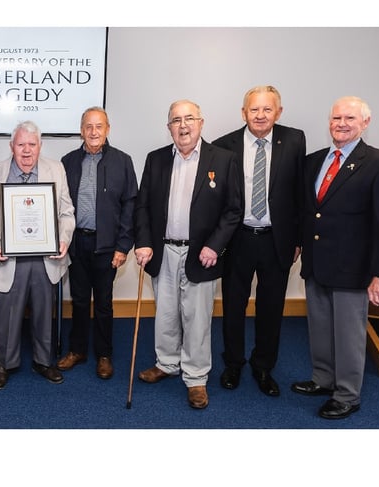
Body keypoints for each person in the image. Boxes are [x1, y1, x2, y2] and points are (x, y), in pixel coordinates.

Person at [292, 96, 379, 419]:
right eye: (336, 118)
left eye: (349, 119)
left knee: (348, 334)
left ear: (365, 123)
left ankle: (347, 394)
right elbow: (309, 211)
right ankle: (323, 378)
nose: (341, 124)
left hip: (353, 268)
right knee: (321, 327)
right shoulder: (314, 161)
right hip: (317, 263)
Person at [134, 100, 242, 409]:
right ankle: (167, 363)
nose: (183, 125)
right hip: (163, 250)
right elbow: (142, 206)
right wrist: (143, 242)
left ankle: (196, 378)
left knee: (196, 319)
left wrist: (214, 246)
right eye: (176, 120)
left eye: (189, 119)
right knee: (166, 313)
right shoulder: (156, 160)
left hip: (201, 253)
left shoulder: (222, 159)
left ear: (201, 122)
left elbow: (233, 210)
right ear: (168, 127)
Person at [212, 85, 306, 397]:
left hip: (276, 240)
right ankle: (234, 363)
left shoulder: (294, 140)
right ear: (244, 113)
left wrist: (299, 239)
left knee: (271, 308)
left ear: (278, 112)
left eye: (267, 109)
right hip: (237, 239)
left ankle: (263, 366)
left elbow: (299, 194)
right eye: (254, 109)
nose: (260, 115)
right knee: (233, 306)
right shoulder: (224, 146)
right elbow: (218, 201)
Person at [0, 120, 75, 390]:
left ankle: (44, 361)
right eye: (21, 145)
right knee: (6, 311)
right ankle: (4, 363)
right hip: (9, 258)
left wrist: (63, 239)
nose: (27, 150)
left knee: (45, 311)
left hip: (46, 258)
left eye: (32, 144)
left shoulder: (56, 169)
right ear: (12, 146)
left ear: (40, 146)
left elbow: (66, 212)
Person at [55, 106, 138, 379]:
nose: (93, 132)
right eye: (88, 127)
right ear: (81, 130)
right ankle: (77, 350)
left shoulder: (122, 162)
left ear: (108, 129)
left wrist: (123, 246)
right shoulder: (66, 162)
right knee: (78, 300)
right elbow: (57, 204)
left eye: (99, 126)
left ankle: (104, 354)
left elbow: (130, 206)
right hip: (77, 244)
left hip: (107, 247)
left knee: (103, 303)